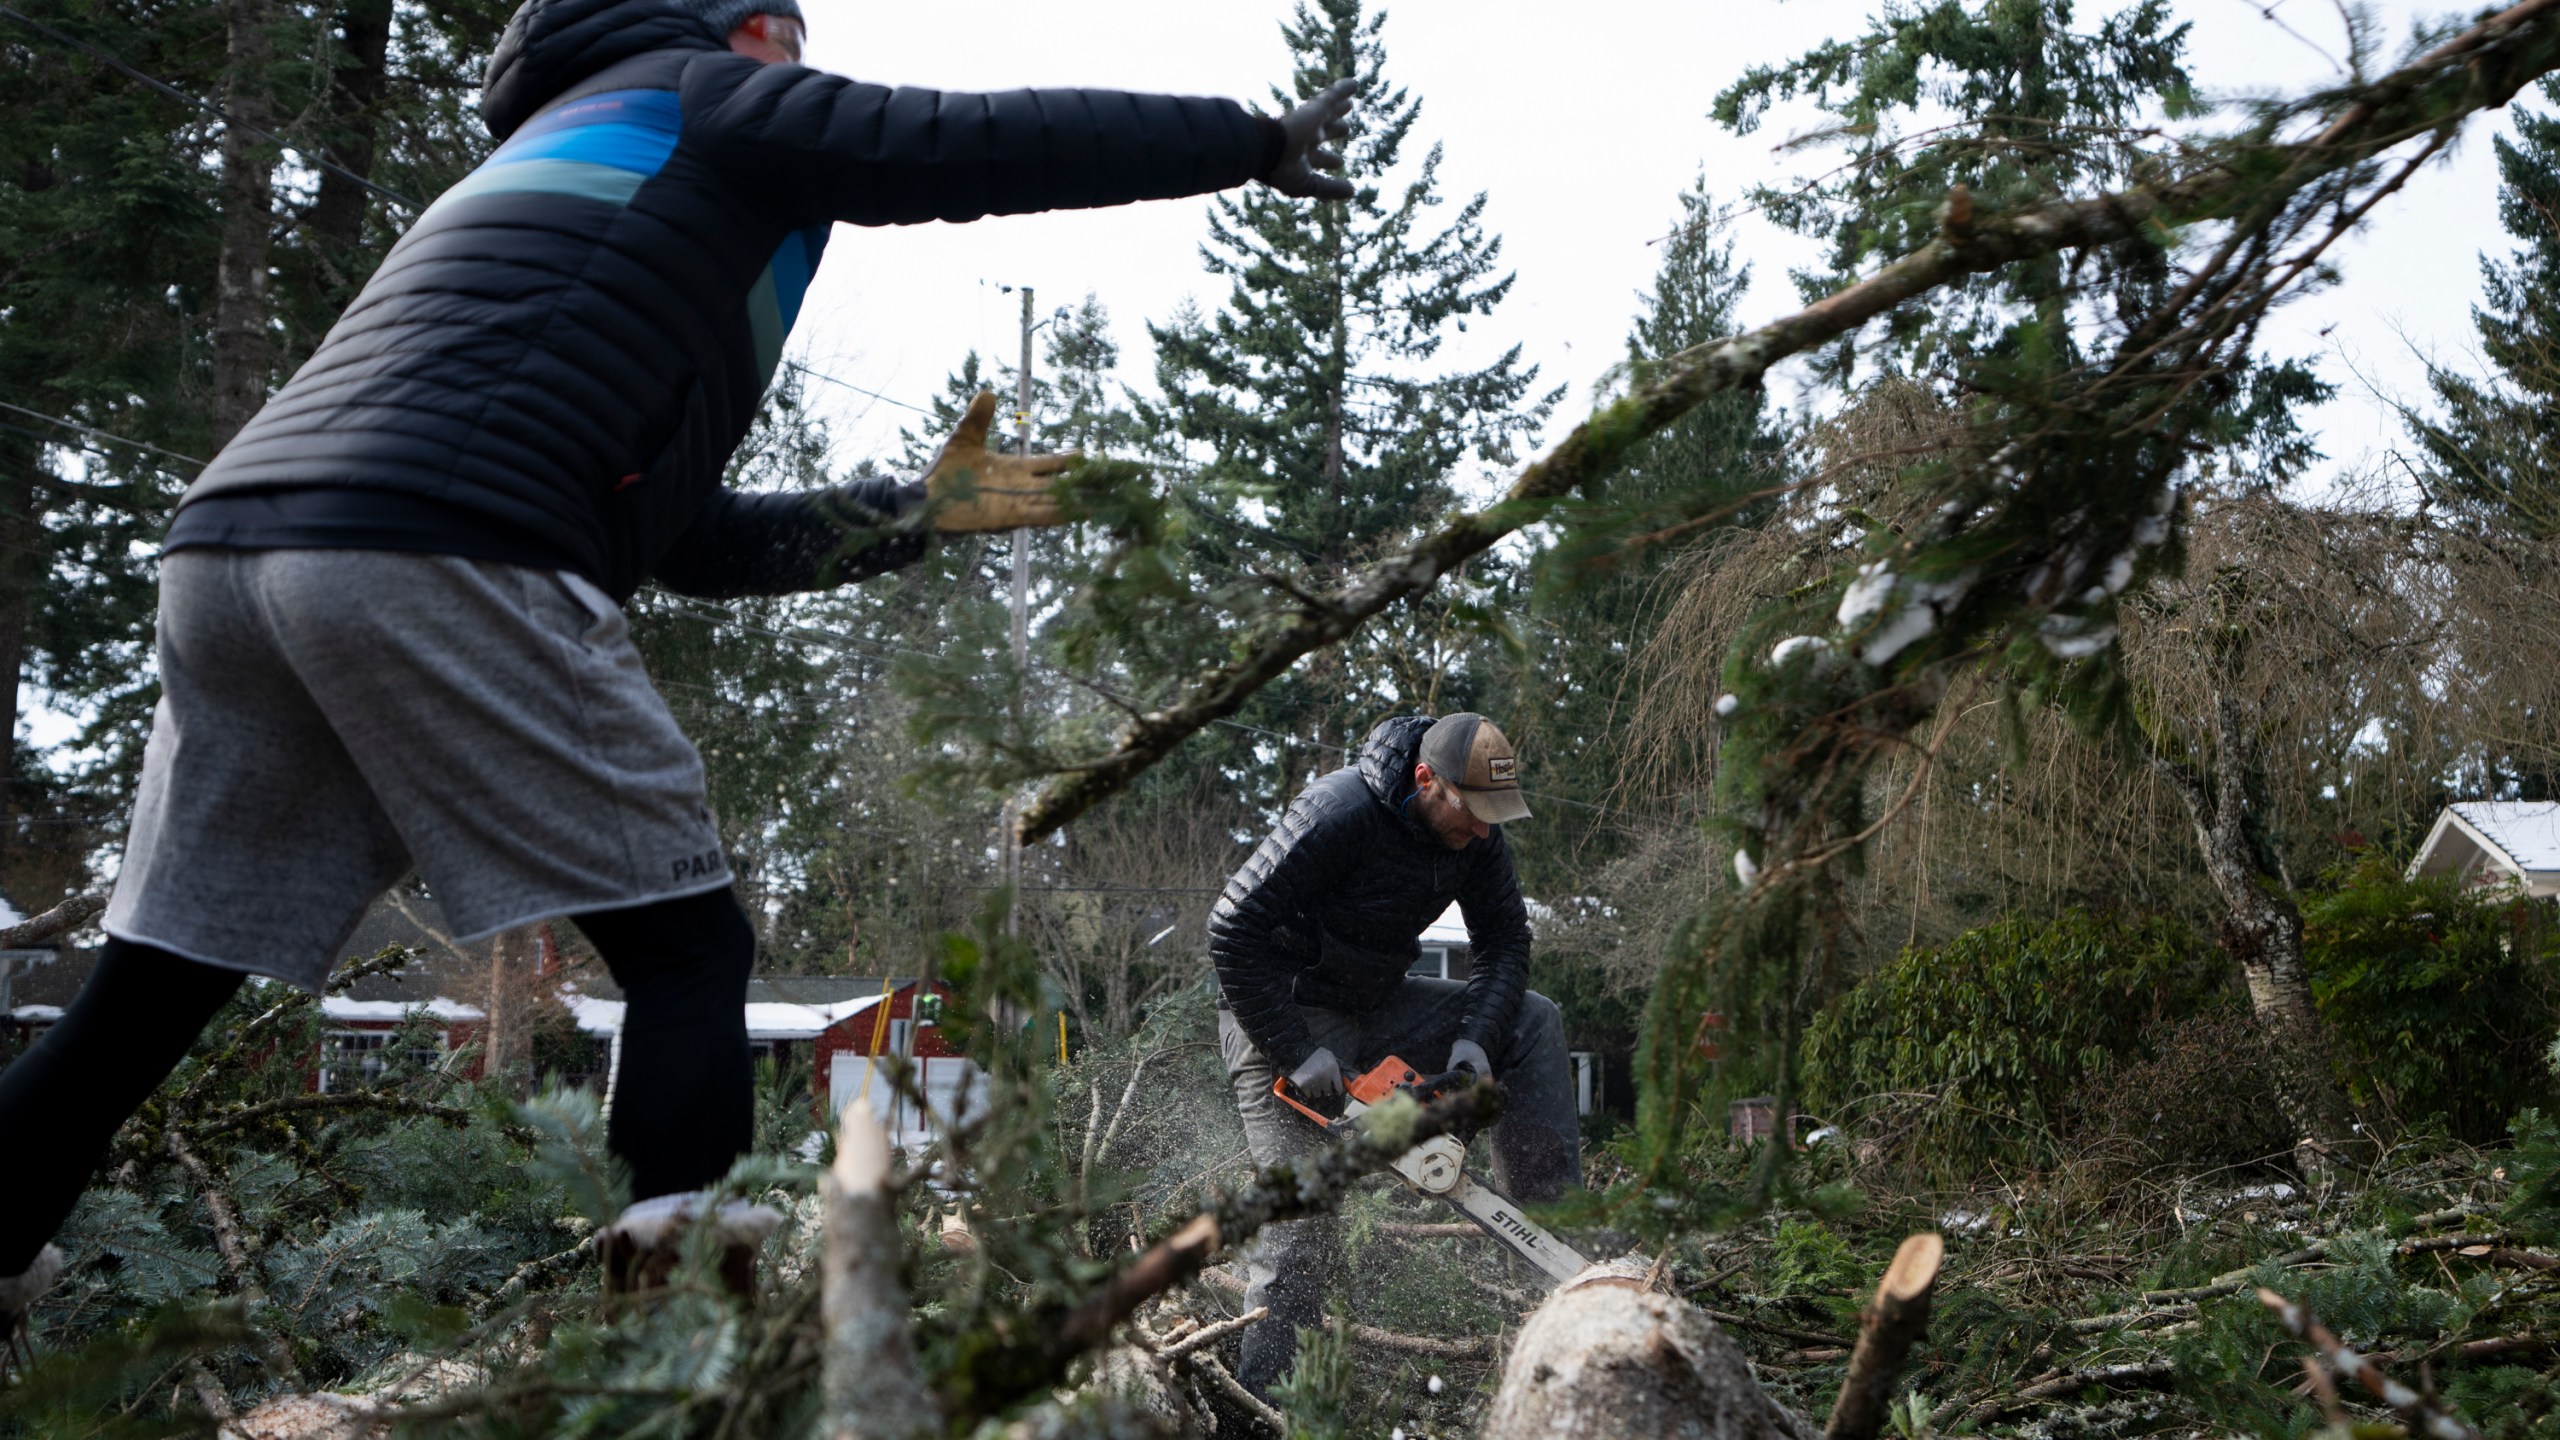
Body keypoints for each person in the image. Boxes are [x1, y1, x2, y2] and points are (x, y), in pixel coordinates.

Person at [0, 0, 1359, 1337]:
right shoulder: (694, 92)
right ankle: (678, 1353)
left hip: (234, 554)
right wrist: (1239, 142)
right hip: (443, 538)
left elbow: (688, 537)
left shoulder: (565, 181)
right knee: (690, 951)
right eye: (786, 29)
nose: (806, 56)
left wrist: (919, 516)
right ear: (736, 28)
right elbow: (954, 143)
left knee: (156, 985)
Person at [1207, 712, 1580, 1396]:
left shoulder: (1478, 836)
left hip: (1375, 1002)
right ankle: (1261, 1404)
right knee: (1301, 1227)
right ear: (1424, 780)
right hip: (1281, 1011)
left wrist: (1477, 1035)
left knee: (1532, 1021)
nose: (1482, 831)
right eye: (1471, 811)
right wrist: (1293, 1048)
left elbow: (1505, 942)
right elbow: (1232, 927)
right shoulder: (1337, 811)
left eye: (1494, 816)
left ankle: (1559, 1258)